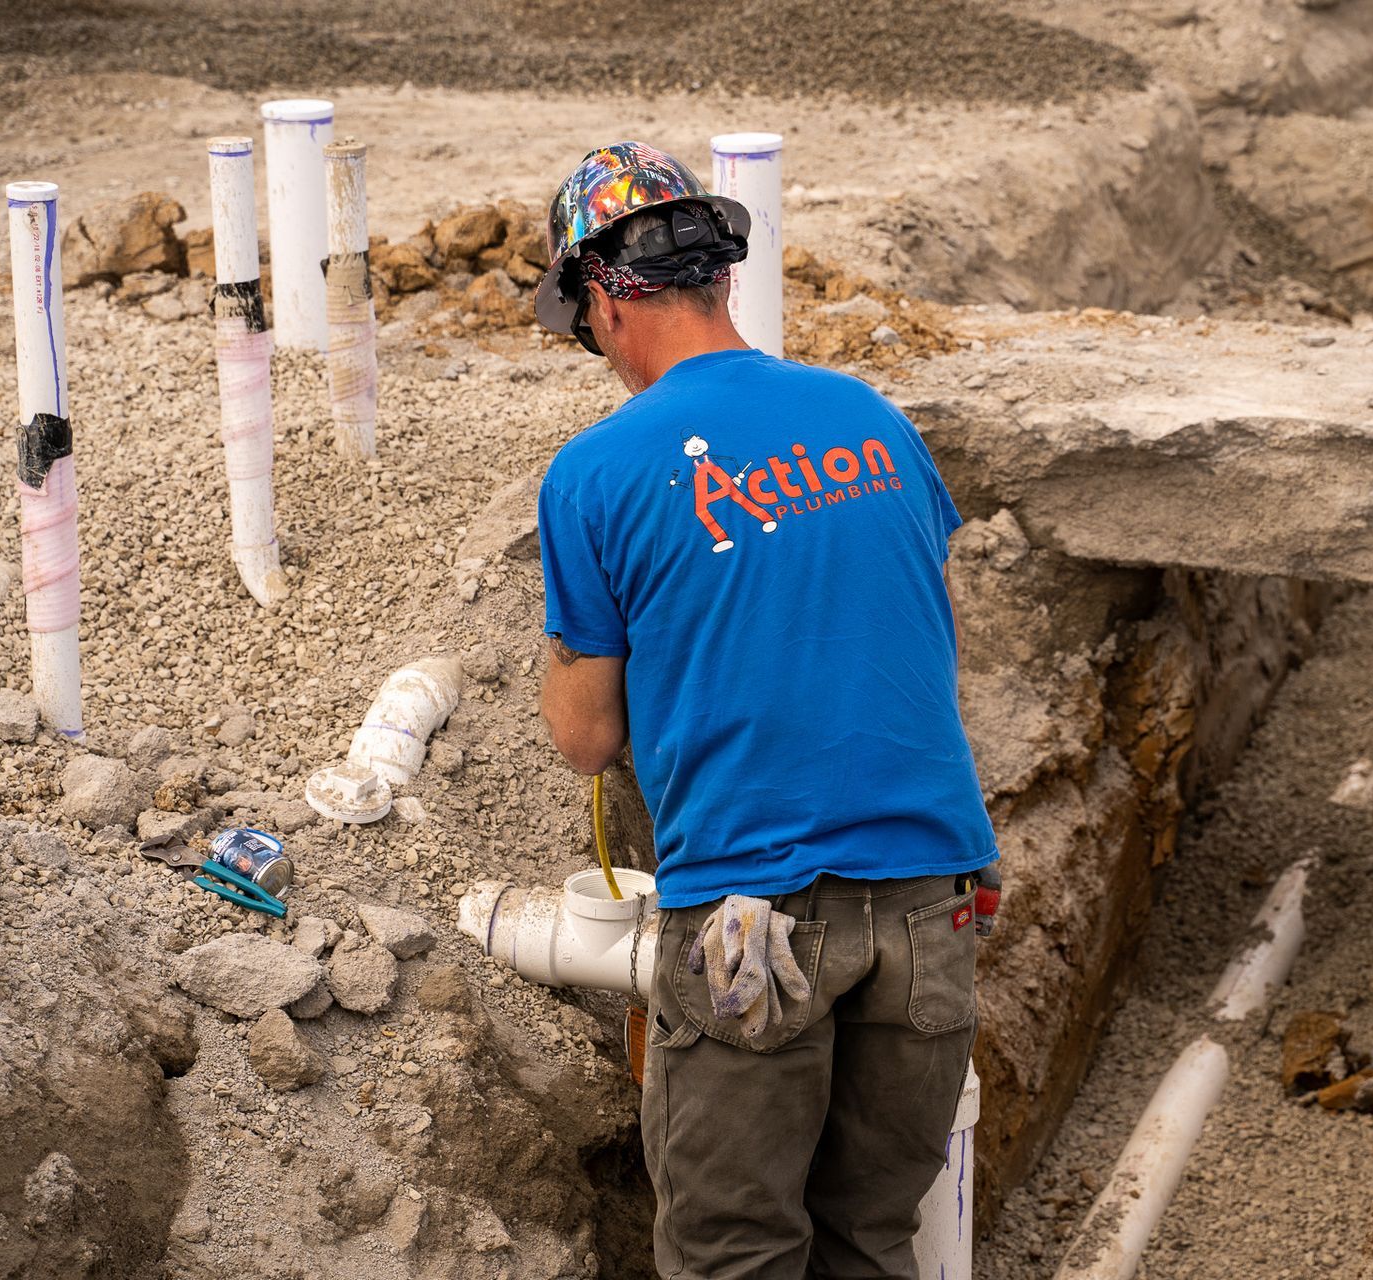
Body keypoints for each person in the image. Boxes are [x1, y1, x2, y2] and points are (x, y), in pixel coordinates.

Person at [530, 141, 1000, 1280]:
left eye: (585, 325)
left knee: (734, 1253)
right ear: (720, 276)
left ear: (603, 301)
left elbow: (586, 737)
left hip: (753, 920)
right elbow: (923, 634)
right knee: (869, 1238)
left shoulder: (596, 472)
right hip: (933, 907)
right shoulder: (870, 417)